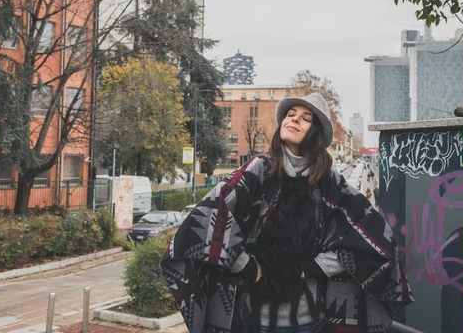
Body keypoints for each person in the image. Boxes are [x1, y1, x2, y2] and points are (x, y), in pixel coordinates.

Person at [161, 93, 413, 333]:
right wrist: (248, 267)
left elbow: (371, 244)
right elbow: (205, 224)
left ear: (316, 134)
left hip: (310, 320)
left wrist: (309, 269)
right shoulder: (258, 171)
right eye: (291, 114)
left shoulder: (331, 185)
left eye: (306, 118)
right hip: (251, 319)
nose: (294, 119)